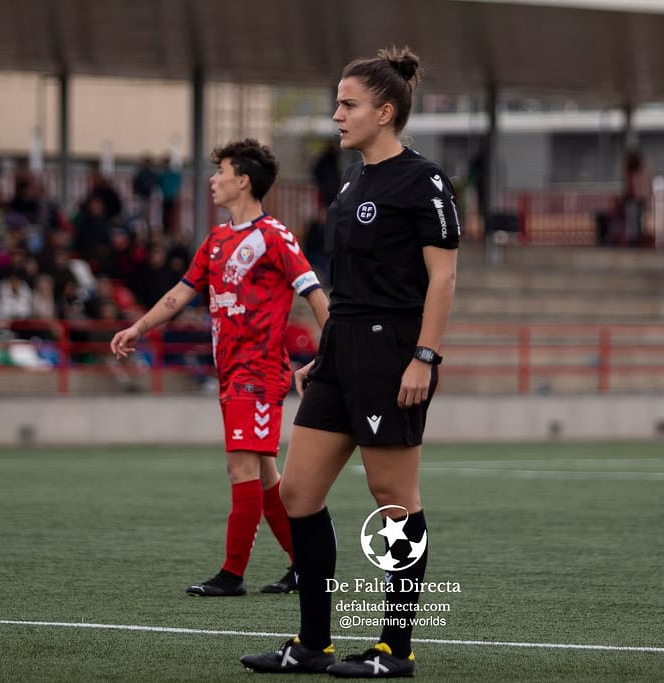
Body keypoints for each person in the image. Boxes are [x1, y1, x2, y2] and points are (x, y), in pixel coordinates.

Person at [240, 46, 460, 678]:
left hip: (395, 352)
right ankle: (313, 645)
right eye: (337, 103)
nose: (336, 114)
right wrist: (325, 353)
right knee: (300, 494)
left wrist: (424, 356)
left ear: (384, 112)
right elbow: (346, 282)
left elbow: (441, 280)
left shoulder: (424, 181)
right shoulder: (352, 181)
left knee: (394, 498)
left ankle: (396, 651)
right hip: (341, 349)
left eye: (348, 104)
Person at [110, 138, 330, 597]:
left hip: (260, 372)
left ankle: (232, 575)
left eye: (221, 172)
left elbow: (315, 295)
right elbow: (179, 294)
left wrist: (328, 355)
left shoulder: (275, 236)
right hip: (231, 373)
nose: (213, 180)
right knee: (267, 478)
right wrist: (139, 328)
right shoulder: (215, 241)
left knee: (240, 469)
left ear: (243, 180)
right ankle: (304, 567)